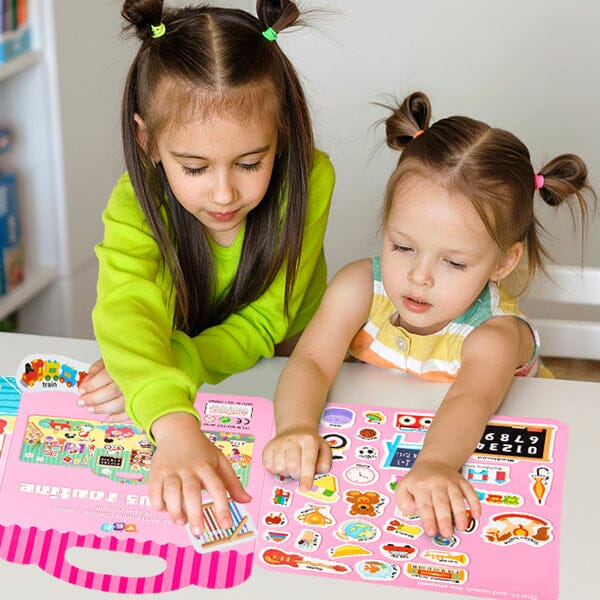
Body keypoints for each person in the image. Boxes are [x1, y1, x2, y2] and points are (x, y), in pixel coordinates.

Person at [262, 91, 594, 539]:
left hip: (482, 448)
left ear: (502, 263)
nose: (419, 277)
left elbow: (469, 401)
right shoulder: (359, 287)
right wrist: (296, 426)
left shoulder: (494, 335)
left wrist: (436, 463)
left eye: (453, 263)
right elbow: (311, 362)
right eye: (402, 246)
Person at [77, 0, 335, 537]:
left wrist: (164, 367)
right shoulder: (135, 200)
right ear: (147, 140)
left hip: (288, 367)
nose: (223, 194)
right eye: (194, 167)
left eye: (250, 163)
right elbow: (126, 306)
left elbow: (266, 323)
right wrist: (168, 412)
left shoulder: (310, 179)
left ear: (283, 131)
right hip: (189, 383)